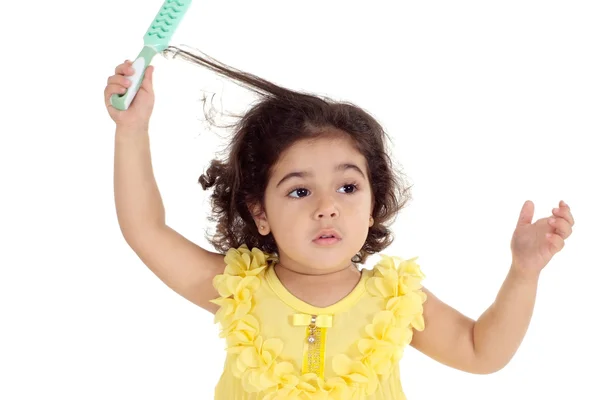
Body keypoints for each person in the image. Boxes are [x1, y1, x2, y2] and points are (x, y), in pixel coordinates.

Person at [103, 46, 575, 400]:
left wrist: (523, 272)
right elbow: (145, 229)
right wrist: (132, 130)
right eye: (300, 191)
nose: (327, 207)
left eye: (348, 188)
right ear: (260, 212)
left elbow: (481, 352)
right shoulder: (234, 288)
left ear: (372, 205)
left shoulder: (395, 300)